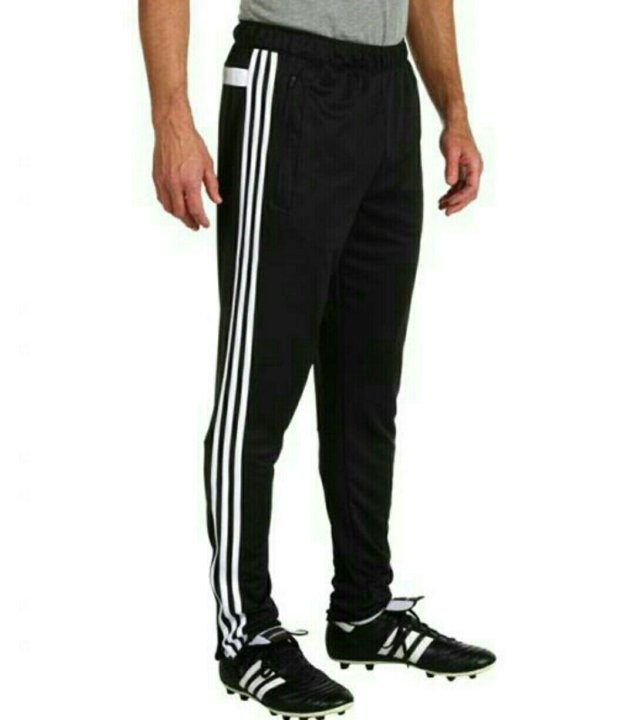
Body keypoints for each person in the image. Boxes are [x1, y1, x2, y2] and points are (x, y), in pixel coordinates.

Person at [139, 1, 495, 716]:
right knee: (257, 389)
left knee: (367, 388)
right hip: (288, 80)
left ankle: (363, 610)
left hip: (388, 92)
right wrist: (172, 119)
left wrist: (454, 110)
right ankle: (247, 636)